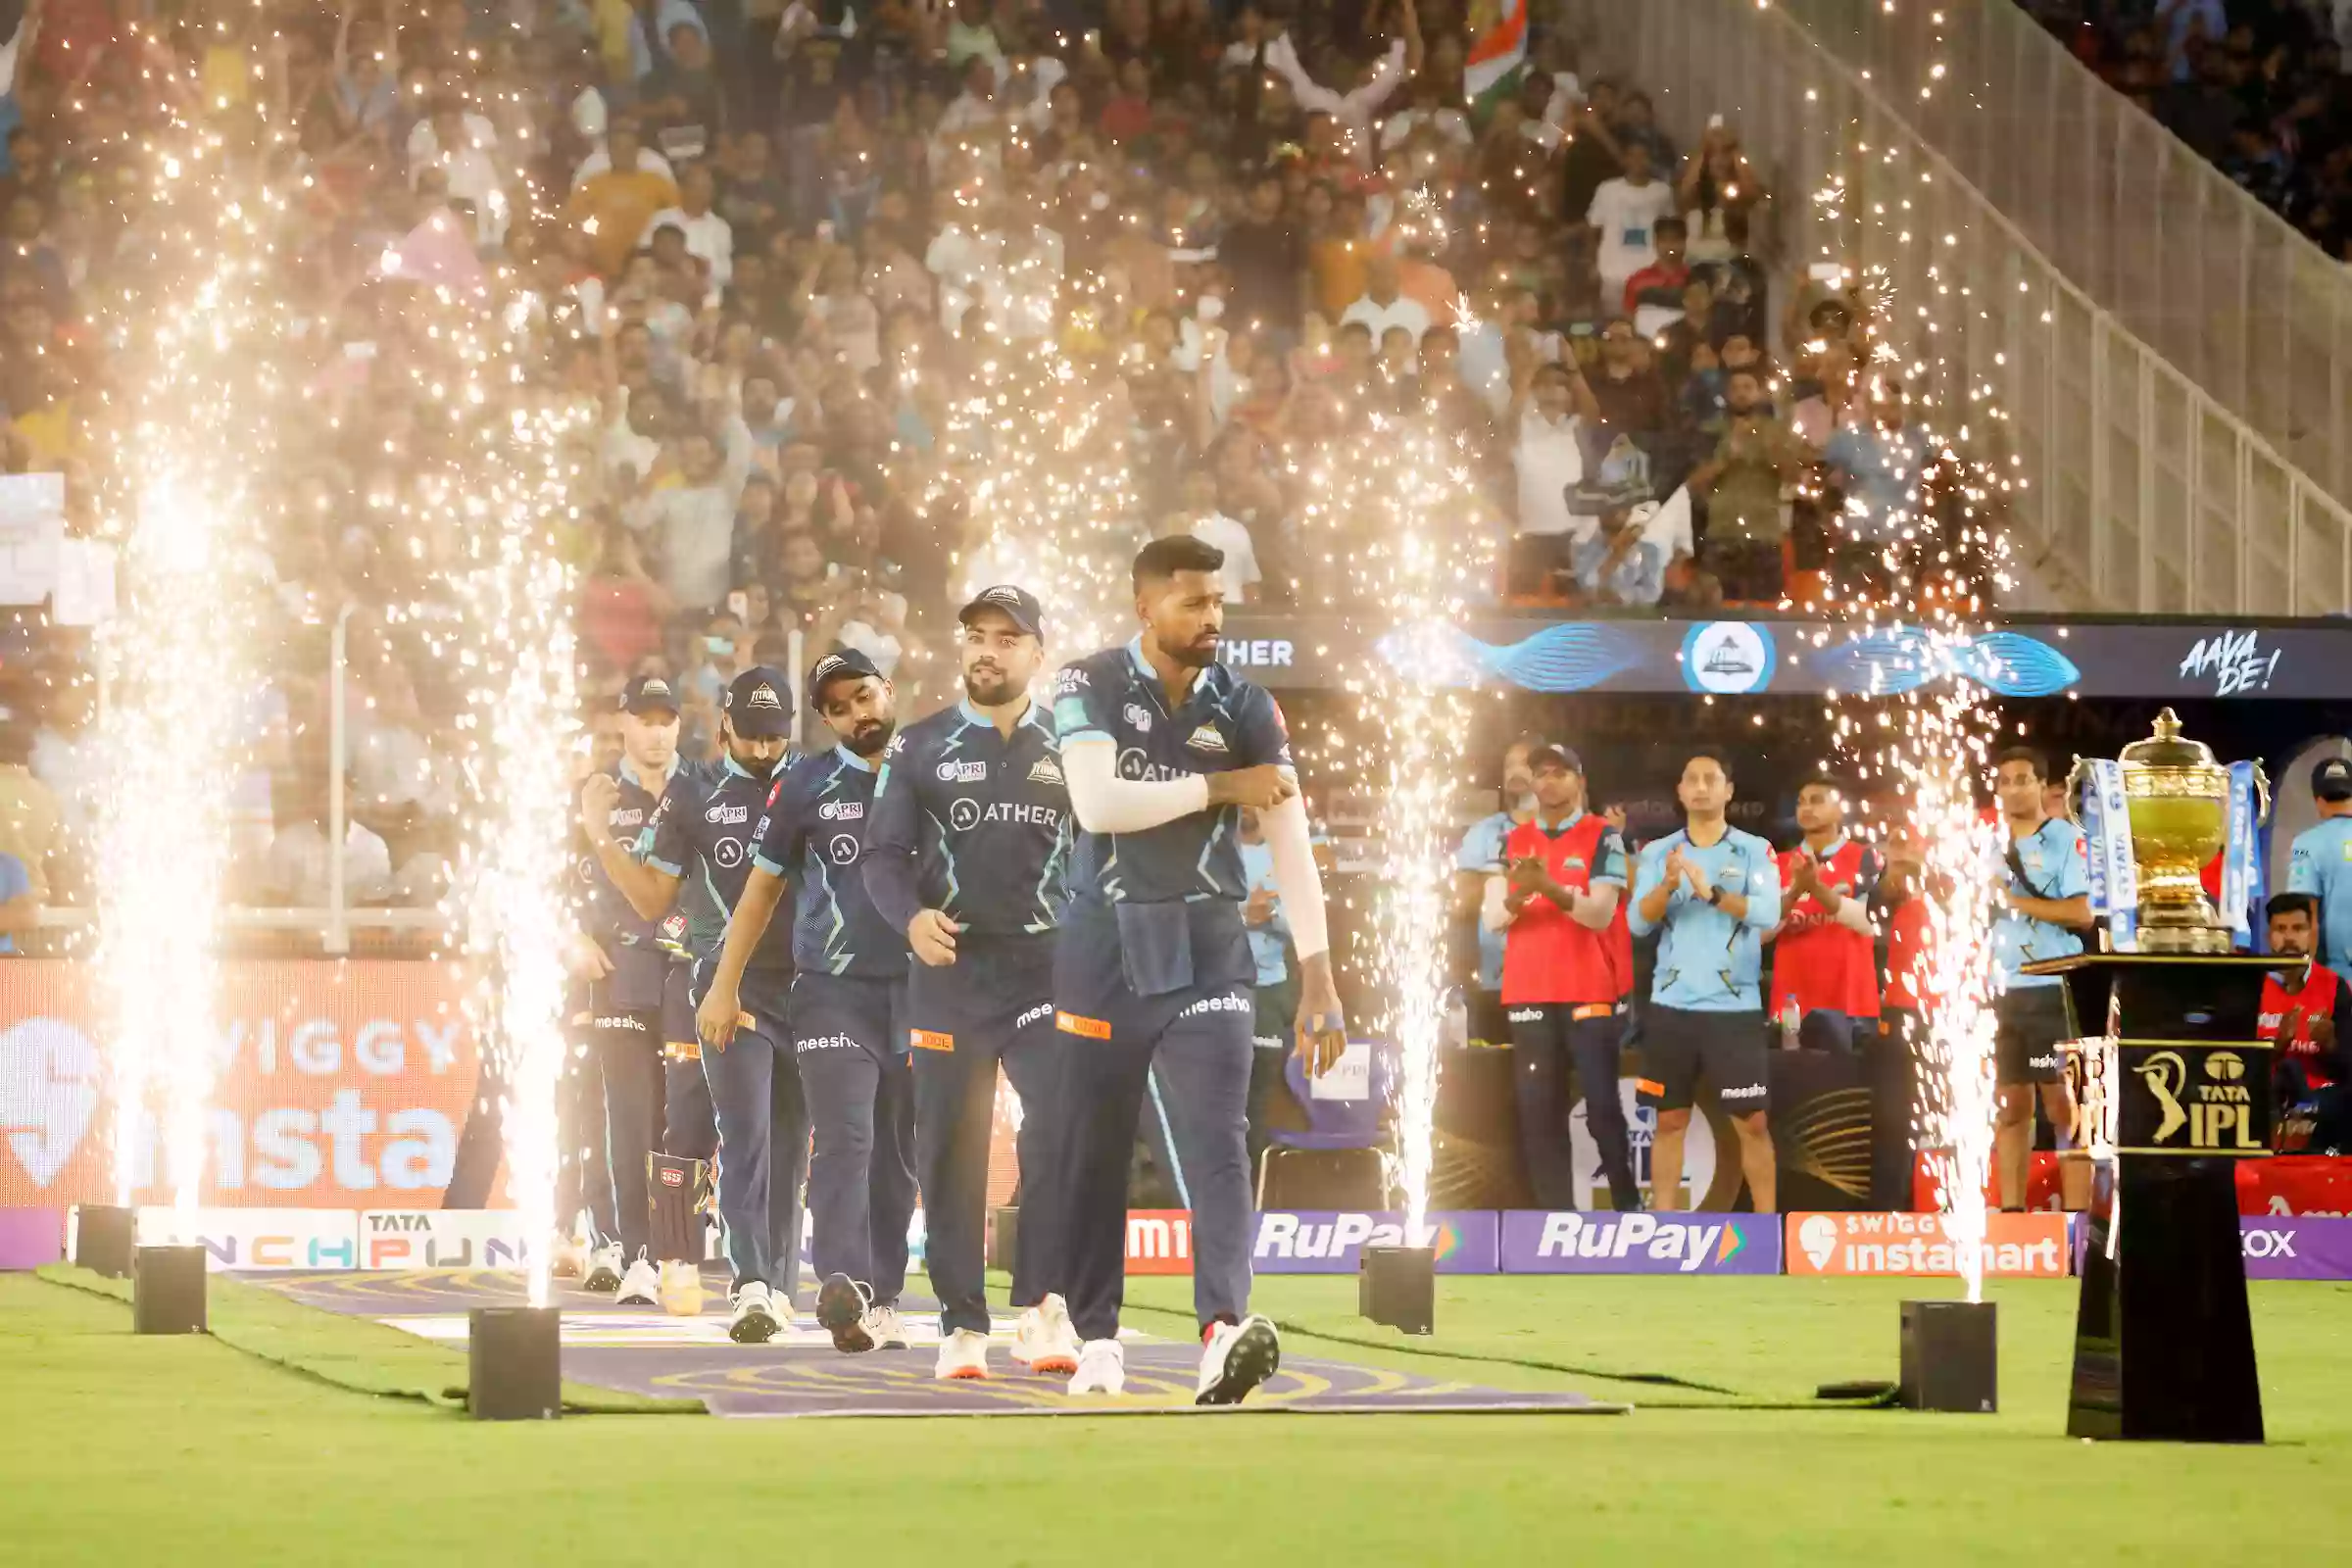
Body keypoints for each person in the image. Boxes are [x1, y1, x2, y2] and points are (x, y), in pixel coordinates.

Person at [1050, 536, 1345, 1403]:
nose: (1212, 617)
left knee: (1220, 1138)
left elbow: (1290, 837)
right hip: (1102, 946)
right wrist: (1219, 788)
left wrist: (1319, 974)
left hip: (1210, 947)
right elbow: (1097, 804)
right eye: (1193, 603)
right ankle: (1098, 1342)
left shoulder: (1247, 704)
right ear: (1145, 607)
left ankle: (1223, 1330)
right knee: (1095, 1150)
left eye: (1218, 602)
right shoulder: (1088, 681)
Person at [859, 585, 1078, 1381]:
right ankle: (961, 1323)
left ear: (1037, 654)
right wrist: (911, 919)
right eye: (977, 636)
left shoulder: (1074, 744)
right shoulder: (920, 746)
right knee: (950, 1143)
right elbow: (882, 856)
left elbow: (1105, 853)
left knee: (1060, 1131)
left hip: (1048, 969)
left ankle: (1044, 1307)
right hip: (952, 972)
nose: (987, 650)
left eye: (1007, 639)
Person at [693, 649, 916, 1356]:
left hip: (921, 992)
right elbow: (759, 892)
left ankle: (884, 1296)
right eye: (839, 708)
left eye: (865, 696)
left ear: (889, 690)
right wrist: (722, 983)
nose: (858, 713)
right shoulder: (807, 785)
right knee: (845, 1139)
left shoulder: (933, 770)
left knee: (900, 1154)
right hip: (831, 990)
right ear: (824, 719)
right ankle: (841, 1284)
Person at [585, 667, 808, 1344]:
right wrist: (600, 835)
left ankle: (779, 1284)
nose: (765, 750)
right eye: (753, 736)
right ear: (724, 728)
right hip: (720, 986)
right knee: (730, 1132)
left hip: (813, 988)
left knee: (791, 1144)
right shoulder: (696, 792)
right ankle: (719, 1274)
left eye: (776, 737)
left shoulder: (815, 782)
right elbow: (651, 898)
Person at [572, 674, 700, 1304]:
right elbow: (545, 878)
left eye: (665, 720)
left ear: (679, 724)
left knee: (684, 1121)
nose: (656, 732)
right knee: (627, 1118)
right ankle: (633, 1253)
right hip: (618, 972)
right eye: (644, 720)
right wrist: (569, 935)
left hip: (688, 971)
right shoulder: (594, 792)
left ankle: (676, 1252)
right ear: (622, 723)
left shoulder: (702, 787)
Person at [1482, 746, 1638, 1211]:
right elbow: (1493, 918)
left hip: (1589, 989)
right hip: (1528, 991)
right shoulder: (1511, 840)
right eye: (1541, 773)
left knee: (1602, 1106)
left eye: (1560, 773)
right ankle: (1553, 1218)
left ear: (1579, 781)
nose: (1549, 781)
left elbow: (1600, 913)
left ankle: (1627, 1207)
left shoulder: (1603, 836)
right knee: (1538, 1111)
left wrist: (1548, 888)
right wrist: (1520, 896)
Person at [1628, 748, 1782, 1213]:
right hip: (1671, 1007)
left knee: (1752, 1123)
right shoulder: (1658, 853)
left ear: (1728, 791)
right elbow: (1638, 923)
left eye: (1710, 779)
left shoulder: (1755, 849)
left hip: (1733, 1009)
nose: (1700, 787)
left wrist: (1712, 893)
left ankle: (1766, 1228)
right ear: (1679, 790)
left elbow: (1768, 913)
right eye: (1691, 779)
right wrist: (1668, 885)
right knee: (1669, 1120)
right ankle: (1663, 1227)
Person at [1987, 747, 2090, 1212]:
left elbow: (2081, 913)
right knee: (2010, 1109)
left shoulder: (2065, 838)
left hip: (2051, 988)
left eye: (2022, 779)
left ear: (2042, 786)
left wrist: (2013, 902)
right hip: (2002, 992)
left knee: (2063, 1108)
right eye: (2005, 781)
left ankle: (2076, 1221)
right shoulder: (1986, 845)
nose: (2013, 789)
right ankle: (2011, 1215)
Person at [1768, 776, 1883, 1054]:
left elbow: (1865, 922)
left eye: (1817, 801)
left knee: (1848, 1080)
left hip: (1851, 1001)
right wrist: (1796, 891)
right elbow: (1764, 930)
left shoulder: (1867, 857)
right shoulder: (1779, 862)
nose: (1807, 808)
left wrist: (1815, 888)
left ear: (1840, 809)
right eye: (1801, 803)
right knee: (1793, 1077)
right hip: (1792, 1001)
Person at [1453, 737, 1544, 1050]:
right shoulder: (1484, 832)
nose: (1515, 772)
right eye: (1509, 765)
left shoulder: (1565, 831)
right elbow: (1461, 903)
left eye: (1525, 763)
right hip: (1495, 983)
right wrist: (1499, 873)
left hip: (1552, 984)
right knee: (1491, 1073)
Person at [2259, 892, 2352, 1151]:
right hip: (2265, 1099)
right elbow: (2236, 1062)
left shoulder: (2334, 987)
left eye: (2298, 928)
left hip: (2323, 1103)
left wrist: (2330, 1046)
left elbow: (2348, 1066)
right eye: (2281, 929)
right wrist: (2276, 1048)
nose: (2289, 938)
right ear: (2269, 936)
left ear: (2311, 934)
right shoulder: (2253, 986)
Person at [1235, 805, 1298, 1168]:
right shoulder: (1211, 851)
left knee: (1258, 1096)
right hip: (1217, 986)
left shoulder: (1285, 855)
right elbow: (1192, 914)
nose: (1247, 805)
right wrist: (1243, 914)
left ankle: (1253, 1190)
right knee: (1217, 1093)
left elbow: (1305, 923)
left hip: (1269, 991)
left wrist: (1271, 914)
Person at [2286, 756, 2352, 987]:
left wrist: (2301, 982)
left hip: (2338, 983)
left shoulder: (2306, 844)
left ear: (2318, 800)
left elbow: (2304, 918)